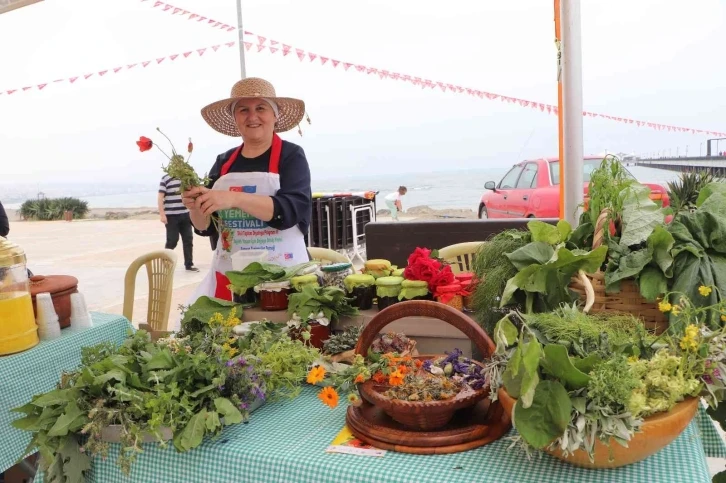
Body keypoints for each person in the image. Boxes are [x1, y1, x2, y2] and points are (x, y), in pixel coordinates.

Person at [182, 77, 312, 301]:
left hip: (284, 278)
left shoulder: (291, 155)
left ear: (275, 115)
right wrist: (195, 206)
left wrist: (233, 198)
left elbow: (290, 211)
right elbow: (206, 228)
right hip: (231, 279)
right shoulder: (223, 162)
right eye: (243, 110)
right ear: (235, 119)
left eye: (260, 108)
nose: (252, 117)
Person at [159, 175, 199, 272]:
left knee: (188, 240)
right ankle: (165, 260)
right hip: (171, 216)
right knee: (172, 240)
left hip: (185, 214)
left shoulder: (186, 178)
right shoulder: (165, 179)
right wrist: (162, 214)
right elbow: (160, 198)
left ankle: (189, 264)